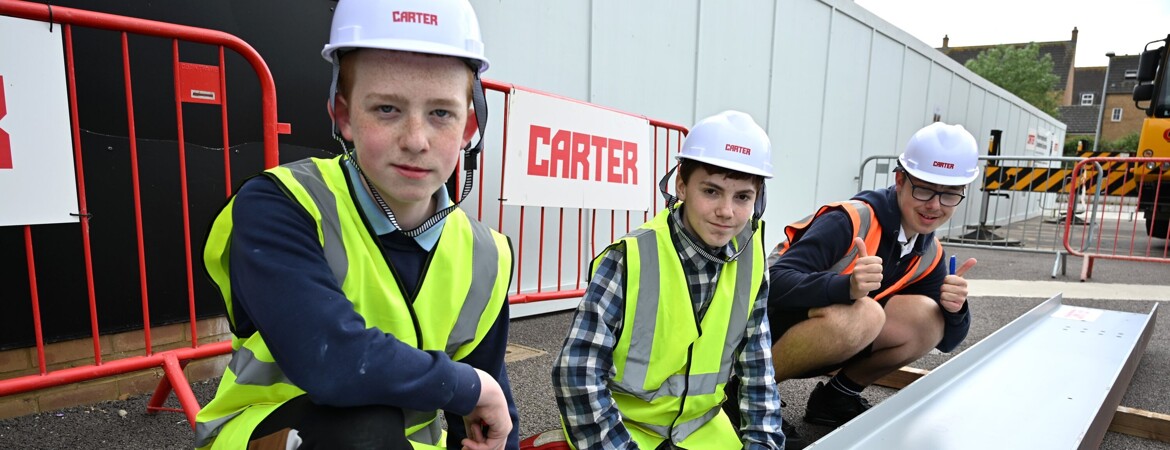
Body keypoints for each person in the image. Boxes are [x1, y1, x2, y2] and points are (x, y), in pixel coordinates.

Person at [193, 1, 518, 449]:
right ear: (343, 116)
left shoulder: (486, 254)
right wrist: (471, 387)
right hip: (281, 436)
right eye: (387, 109)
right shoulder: (281, 205)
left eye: (441, 113)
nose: (416, 140)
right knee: (362, 430)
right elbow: (331, 360)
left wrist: (479, 397)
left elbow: (490, 423)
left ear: (469, 128)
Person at [552, 111, 786, 449]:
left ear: (758, 198)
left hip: (701, 431)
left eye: (742, 197)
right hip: (625, 429)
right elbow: (577, 372)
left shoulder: (750, 261)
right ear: (681, 185)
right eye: (711, 191)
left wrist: (763, 444)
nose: (727, 211)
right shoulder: (631, 258)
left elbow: (758, 370)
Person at [767, 122, 979, 430]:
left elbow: (946, 341)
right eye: (923, 190)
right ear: (900, 180)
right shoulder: (850, 220)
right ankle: (748, 393)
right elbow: (772, 283)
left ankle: (836, 398)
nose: (934, 205)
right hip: (762, 334)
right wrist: (846, 286)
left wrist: (956, 310)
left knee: (930, 318)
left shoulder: (929, 251)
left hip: (828, 341)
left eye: (949, 195)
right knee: (866, 314)